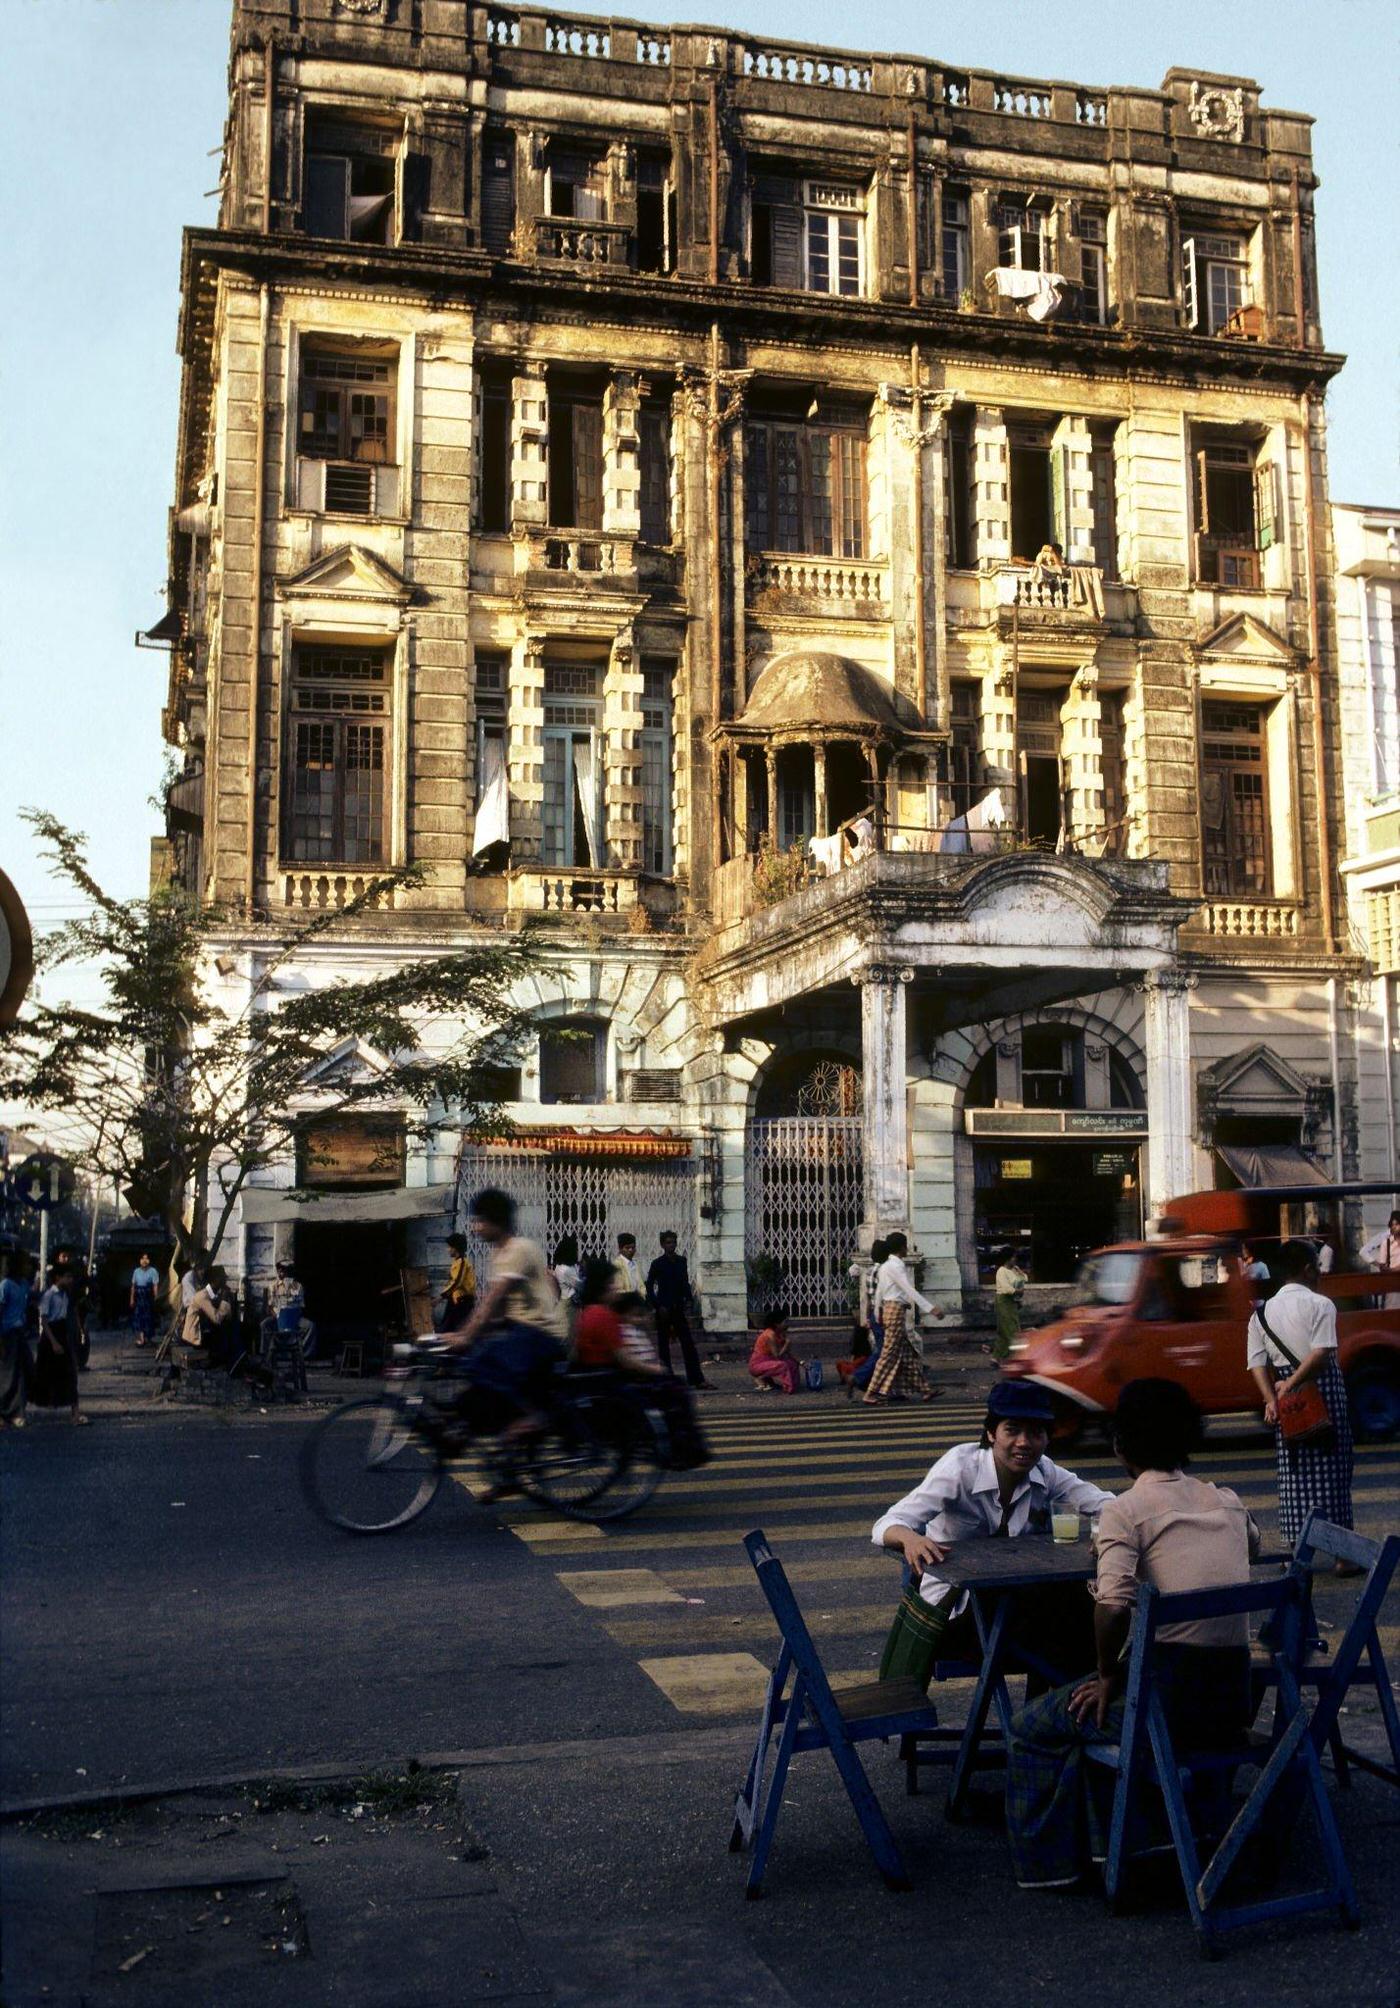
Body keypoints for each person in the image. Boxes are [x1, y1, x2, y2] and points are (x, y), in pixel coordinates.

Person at [1004, 1378, 1259, 1890]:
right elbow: (1252, 1543)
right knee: (1095, 1708)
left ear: (1120, 1446)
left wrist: (1105, 1674)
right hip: (1234, 1703)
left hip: (1164, 1712)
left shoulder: (1125, 1511)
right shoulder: (1228, 1503)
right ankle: (1126, 1840)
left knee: (1034, 1726)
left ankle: (1049, 1868)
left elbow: (1112, 1607)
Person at [873, 1380, 1113, 1690]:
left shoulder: (1046, 1472)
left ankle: (1059, 1709)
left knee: (1076, 1608)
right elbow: (886, 1524)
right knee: (1065, 1619)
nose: (1024, 1443)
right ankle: (1058, 1710)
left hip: (1017, 1612)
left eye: (1035, 1432)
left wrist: (1105, 1531)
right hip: (956, 1618)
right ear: (991, 1433)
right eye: (1012, 1430)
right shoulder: (960, 1468)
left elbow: (1109, 1506)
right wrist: (910, 1539)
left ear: (1046, 1438)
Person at [443, 1189, 568, 1495]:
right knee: (477, 1369)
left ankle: (536, 1419)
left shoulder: (518, 1249)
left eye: (480, 1221)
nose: (476, 1227)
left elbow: (492, 1302)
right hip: (520, 1331)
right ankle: (507, 1457)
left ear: (496, 1221)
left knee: (485, 1365)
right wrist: (464, 1336)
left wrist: (465, 1336)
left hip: (540, 1334)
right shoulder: (498, 1254)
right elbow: (494, 1309)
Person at [1247, 1238, 1356, 1564]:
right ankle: (1343, 1558)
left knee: (1294, 1473)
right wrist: (1292, 1384)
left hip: (1286, 1403)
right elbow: (1321, 1354)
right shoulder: (1322, 1305)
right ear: (1308, 1270)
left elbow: (1256, 1363)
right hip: (1321, 1392)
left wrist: (1273, 1400)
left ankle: (1299, 1553)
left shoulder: (1261, 1314)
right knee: (1334, 1470)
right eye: (1318, 1268)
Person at [864, 1232, 941, 1404]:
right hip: (895, 1312)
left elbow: (879, 1294)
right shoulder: (895, 1266)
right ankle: (871, 1392)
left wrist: (878, 1314)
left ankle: (925, 1390)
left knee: (906, 1354)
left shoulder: (885, 1266)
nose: (907, 1249)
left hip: (889, 1311)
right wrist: (931, 1308)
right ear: (901, 1248)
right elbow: (909, 1289)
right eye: (906, 1246)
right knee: (888, 1354)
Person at [571, 1259, 662, 1377]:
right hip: (605, 1377)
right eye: (612, 1282)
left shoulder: (587, 1312)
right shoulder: (602, 1315)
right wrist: (656, 1370)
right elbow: (626, 1360)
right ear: (603, 1287)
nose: (617, 1287)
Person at [646, 1230, 712, 1390]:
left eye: (673, 1242)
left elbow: (684, 1283)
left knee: (688, 1344)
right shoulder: (657, 1263)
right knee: (663, 1347)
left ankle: (696, 1379)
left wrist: (688, 1301)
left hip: (678, 1308)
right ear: (662, 1245)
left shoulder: (681, 1261)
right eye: (668, 1243)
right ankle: (665, 1380)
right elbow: (649, 1286)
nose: (671, 1245)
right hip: (664, 1310)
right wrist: (657, 1306)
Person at [32, 1263, 86, 1423]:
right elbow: (44, 1321)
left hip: (63, 1333)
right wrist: (54, 1343)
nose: (70, 1280)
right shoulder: (49, 1295)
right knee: (47, 1375)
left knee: (71, 1374)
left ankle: (75, 1413)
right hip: (51, 1336)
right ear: (57, 1278)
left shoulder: (65, 1295)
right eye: (67, 1277)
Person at [1, 1253, 34, 1427]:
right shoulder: (5, 1286)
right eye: (25, 1265)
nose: (28, 1268)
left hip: (20, 1332)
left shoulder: (23, 1284)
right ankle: (8, 1412)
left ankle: (17, 1410)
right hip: (7, 1333)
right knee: (9, 1374)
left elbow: (33, 1299)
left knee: (25, 1370)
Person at [183, 1264, 238, 1365]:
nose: (224, 1281)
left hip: (203, 1332)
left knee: (232, 1327)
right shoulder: (202, 1296)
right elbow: (217, 1319)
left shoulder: (213, 1295)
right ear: (215, 1281)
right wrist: (224, 1301)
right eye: (222, 1279)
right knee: (227, 1333)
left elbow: (228, 1316)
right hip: (195, 1337)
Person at [749, 1307, 801, 1394]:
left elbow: (788, 1353)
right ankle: (787, 1387)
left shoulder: (779, 1333)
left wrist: (800, 1362)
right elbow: (777, 1355)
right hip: (758, 1365)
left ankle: (793, 1384)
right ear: (777, 1324)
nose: (787, 1324)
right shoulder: (770, 1334)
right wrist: (786, 1345)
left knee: (792, 1363)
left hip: (769, 1361)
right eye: (785, 1322)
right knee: (783, 1365)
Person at [1360, 1209, 1400, 1310]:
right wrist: (1379, 1264)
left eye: (1397, 1224)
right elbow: (1363, 1251)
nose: (1395, 1227)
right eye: (1393, 1224)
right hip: (1390, 1280)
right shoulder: (1384, 1238)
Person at [437, 1233, 477, 1335]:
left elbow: (456, 1282)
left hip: (463, 1301)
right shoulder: (456, 1262)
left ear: (456, 1248)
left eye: (450, 1247)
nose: (448, 1249)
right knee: (447, 1328)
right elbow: (452, 1281)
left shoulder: (462, 1262)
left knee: (452, 1330)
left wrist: (440, 1297)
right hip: (456, 1300)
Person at [993, 1246, 1028, 1361]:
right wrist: (1017, 1291)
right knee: (1011, 1330)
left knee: (1005, 1330)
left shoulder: (1013, 1270)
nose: (1015, 1259)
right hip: (1003, 1301)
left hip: (1012, 1301)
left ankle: (997, 1357)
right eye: (1013, 1257)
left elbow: (1025, 1279)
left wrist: (1020, 1272)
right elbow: (1006, 1288)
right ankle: (1017, 1356)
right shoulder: (1001, 1271)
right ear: (1008, 1258)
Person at [129, 1251, 160, 1346]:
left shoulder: (153, 1271)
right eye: (142, 1258)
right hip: (139, 1298)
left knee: (149, 1318)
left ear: (149, 1260)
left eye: (146, 1258)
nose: (144, 1261)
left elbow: (155, 1286)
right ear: (139, 1260)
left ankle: (148, 1339)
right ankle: (142, 1339)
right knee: (139, 1319)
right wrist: (132, 1299)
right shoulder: (136, 1271)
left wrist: (156, 1297)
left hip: (148, 1298)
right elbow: (133, 1286)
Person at [551, 1234, 581, 1307]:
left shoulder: (559, 1266)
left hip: (563, 1300)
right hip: (569, 1303)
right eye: (576, 1250)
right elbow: (579, 1285)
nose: (577, 1252)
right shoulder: (566, 1270)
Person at [614, 1233, 643, 1299]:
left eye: (633, 1247)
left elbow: (641, 1286)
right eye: (627, 1248)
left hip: (637, 1303)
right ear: (620, 1249)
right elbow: (619, 1290)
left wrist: (641, 1298)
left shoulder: (635, 1264)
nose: (631, 1250)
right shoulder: (617, 1265)